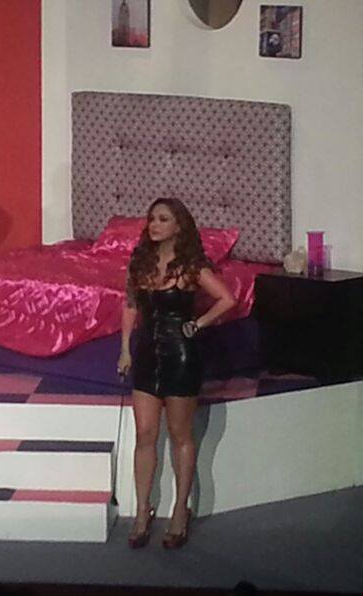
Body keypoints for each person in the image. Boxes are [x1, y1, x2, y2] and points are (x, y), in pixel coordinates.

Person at [117, 198, 236, 549]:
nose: (154, 225)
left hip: (180, 355)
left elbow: (227, 299)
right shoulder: (140, 262)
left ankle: (180, 510)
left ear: (178, 226)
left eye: (163, 219)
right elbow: (130, 306)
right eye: (152, 218)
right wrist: (125, 349)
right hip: (145, 354)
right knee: (145, 434)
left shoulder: (190, 266)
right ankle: (143, 511)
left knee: (180, 434)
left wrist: (198, 324)